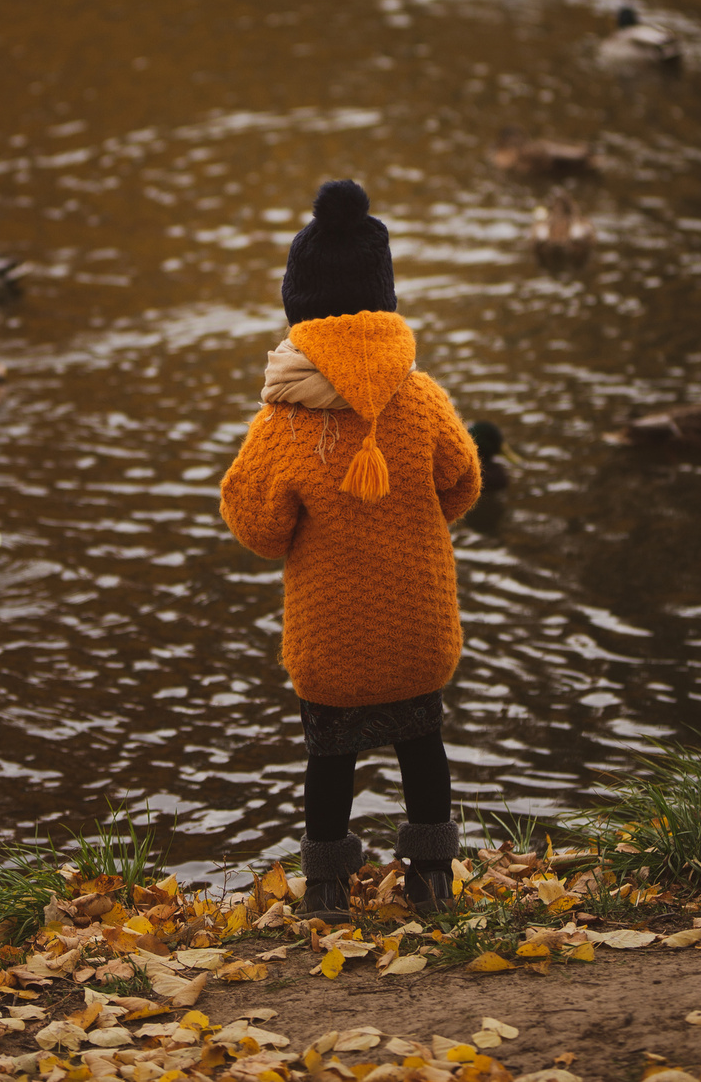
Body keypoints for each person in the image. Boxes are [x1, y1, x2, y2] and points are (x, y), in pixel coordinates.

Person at [219, 179, 483, 920]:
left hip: (330, 637)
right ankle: (433, 880)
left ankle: (327, 889)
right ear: (383, 296)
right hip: (418, 626)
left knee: (329, 762)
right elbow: (461, 483)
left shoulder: (285, 417)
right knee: (422, 748)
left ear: (299, 305)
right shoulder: (421, 396)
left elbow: (261, 530)